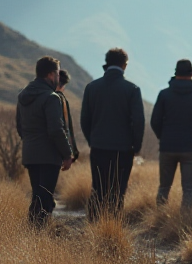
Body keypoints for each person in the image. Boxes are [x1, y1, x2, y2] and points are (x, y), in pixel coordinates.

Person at [81, 48, 145, 221]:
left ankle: (94, 225)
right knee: (118, 190)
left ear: (106, 63)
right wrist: (136, 146)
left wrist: (92, 140)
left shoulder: (92, 87)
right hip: (123, 149)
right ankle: (113, 226)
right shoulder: (132, 89)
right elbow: (138, 121)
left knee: (98, 188)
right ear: (125, 65)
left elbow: (85, 120)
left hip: (98, 146)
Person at [17, 57, 74, 228]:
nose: (58, 77)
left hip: (30, 154)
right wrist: (67, 154)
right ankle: (38, 233)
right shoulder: (51, 98)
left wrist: (30, 143)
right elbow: (56, 130)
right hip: (49, 156)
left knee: (37, 196)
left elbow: (20, 127)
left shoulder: (23, 96)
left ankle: (32, 232)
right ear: (50, 74)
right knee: (45, 200)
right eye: (57, 73)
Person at [151, 59, 192, 211]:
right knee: (188, 188)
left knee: (164, 186)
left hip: (167, 146)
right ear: (191, 75)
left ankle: (159, 216)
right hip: (191, 147)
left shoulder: (164, 95)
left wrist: (163, 136)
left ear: (176, 74)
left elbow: (155, 121)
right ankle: (185, 218)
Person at [56, 70, 80, 162]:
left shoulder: (36, 95)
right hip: (55, 153)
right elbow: (65, 128)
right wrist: (70, 152)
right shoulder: (59, 99)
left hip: (31, 153)